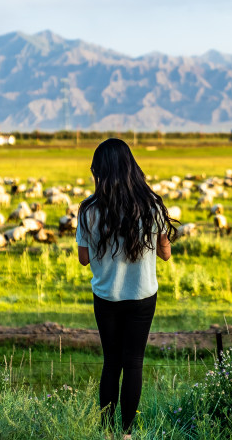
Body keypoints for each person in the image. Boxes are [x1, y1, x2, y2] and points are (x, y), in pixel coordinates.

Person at [76, 138, 178, 438]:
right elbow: (165, 253)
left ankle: (106, 433)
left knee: (112, 362)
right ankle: (127, 433)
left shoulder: (88, 209)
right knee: (134, 363)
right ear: (132, 168)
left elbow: (84, 259)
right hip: (142, 295)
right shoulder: (152, 205)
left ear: (100, 172)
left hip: (107, 294)